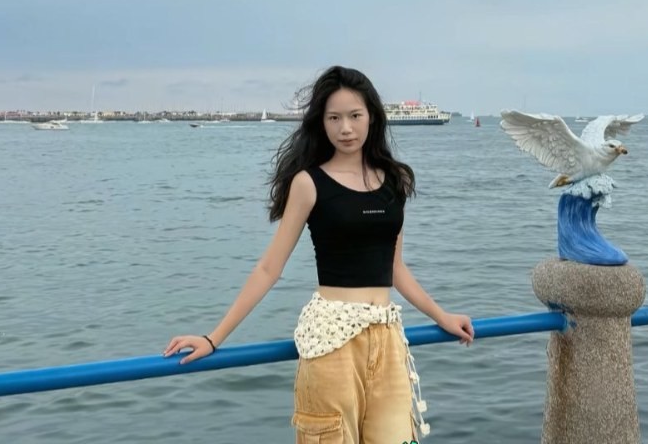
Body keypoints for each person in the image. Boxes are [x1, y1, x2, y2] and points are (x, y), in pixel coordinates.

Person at [163, 65, 474, 443]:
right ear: (321, 123)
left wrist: (442, 317)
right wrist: (213, 338)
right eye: (334, 118)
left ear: (372, 117)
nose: (346, 128)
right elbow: (269, 268)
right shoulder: (309, 183)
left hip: (388, 337)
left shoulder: (395, 180)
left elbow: (394, 268)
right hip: (331, 339)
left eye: (355, 116)